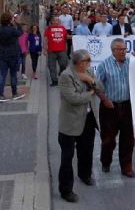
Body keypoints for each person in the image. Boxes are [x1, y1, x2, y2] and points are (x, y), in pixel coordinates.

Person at [57, 49, 104, 203]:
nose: (88, 64)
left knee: (87, 150)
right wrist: (90, 94)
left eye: (89, 61)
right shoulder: (66, 75)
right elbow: (73, 98)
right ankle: (66, 190)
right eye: (85, 62)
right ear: (77, 63)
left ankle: (85, 175)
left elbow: (101, 88)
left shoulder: (89, 71)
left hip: (88, 119)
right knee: (67, 157)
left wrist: (91, 81)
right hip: (70, 123)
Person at [96, 38, 135, 178]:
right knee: (108, 139)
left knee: (128, 139)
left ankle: (126, 166)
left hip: (127, 105)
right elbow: (97, 86)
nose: (123, 52)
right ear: (113, 51)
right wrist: (104, 99)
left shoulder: (131, 63)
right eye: (120, 49)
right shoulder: (104, 65)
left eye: (125, 49)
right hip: (109, 107)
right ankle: (105, 161)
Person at [0, 12, 26, 102]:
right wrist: (17, 23)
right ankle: (14, 93)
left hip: (1, 53)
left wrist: (11, 23)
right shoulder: (12, 29)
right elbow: (20, 32)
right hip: (13, 53)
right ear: (10, 20)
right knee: (13, 74)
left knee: (2, 74)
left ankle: (1, 95)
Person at [45, 17, 69, 87]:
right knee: (52, 66)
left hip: (62, 50)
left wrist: (78, 37)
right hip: (51, 50)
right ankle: (54, 81)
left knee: (64, 63)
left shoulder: (63, 28)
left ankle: (61, 71)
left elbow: (66, 37)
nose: (57, 21)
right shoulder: (48, 29)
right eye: (55, 20)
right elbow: (45, 39)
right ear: (52, 21)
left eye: (58, 20)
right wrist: (44, 49)